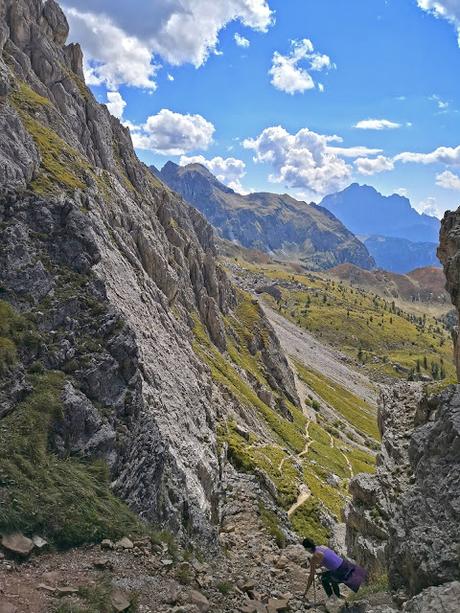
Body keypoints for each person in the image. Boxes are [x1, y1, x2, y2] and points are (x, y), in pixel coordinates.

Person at [302, 537, 367, 602]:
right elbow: (327, 558)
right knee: (331, 577)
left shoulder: (314, 557)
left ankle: (332, 600)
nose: (305, 550)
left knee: (324, 579)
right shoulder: (322, 547)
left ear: (308, 548)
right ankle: (337, 595)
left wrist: (305, 592)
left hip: (339, 571)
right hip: (345, 564)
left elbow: (311, 576)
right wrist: (317, 567)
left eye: (305, 548)